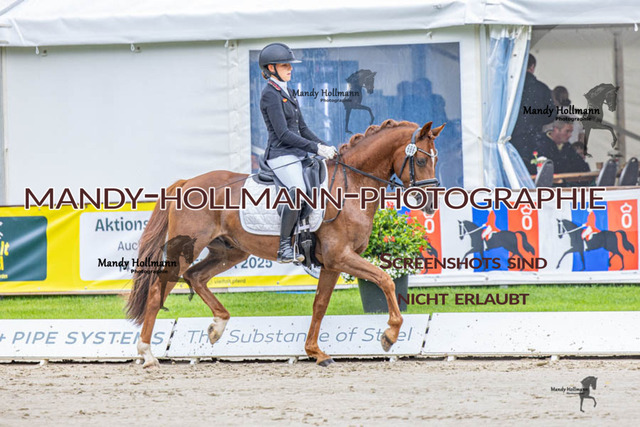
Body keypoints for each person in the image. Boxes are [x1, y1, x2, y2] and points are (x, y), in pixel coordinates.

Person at [259, 43, 338, 263]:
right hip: (280, 155)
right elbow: (283, 134)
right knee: (299, 191)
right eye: (285, 65)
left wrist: (326, 147)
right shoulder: (269, 95)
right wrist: (315, 148)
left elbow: (302, 128)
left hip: (297, 154)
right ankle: (284, 246)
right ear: (271, 68)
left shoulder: (289, 91)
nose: (290, 69)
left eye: (290, 65)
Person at [512, 54, 557, 173]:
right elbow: (551, 115)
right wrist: (536, 118)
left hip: (512, 140)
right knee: (535, 173)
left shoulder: (510, 87)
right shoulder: (542, 88)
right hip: (534, 139)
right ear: (532, 67)